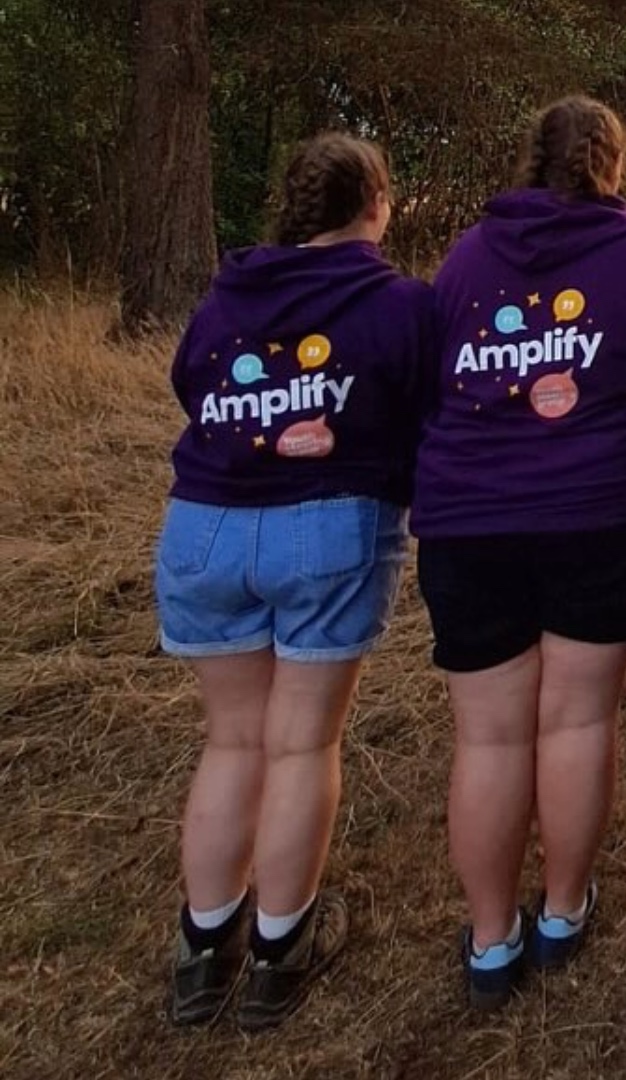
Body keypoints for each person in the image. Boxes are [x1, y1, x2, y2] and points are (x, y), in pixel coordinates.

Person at [414, 96, 626, 1007]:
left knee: (489, 735)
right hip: (605, 514)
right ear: (613, 164)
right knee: (575, 719)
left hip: (471, 520)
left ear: (530, 159)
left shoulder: (465, 256)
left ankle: (491, 939)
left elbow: (432, 380)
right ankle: (563, 913)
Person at [156, 134, 430, 1029]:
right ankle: (279, 949)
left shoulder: (228, 294)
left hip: (203, 528)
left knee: (232, 741)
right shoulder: (395, 304)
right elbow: (423, 406)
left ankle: (203, 952)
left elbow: (190, 382)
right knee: (302, 743)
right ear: (376, 205)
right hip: (326, 529)